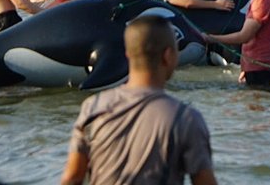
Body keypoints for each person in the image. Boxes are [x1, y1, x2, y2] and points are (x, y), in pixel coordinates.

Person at [59, 15, 217, 185]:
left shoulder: (93, 107)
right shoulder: (185, 118)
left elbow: (71, 178)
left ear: (128, 54)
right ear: (167, 56)